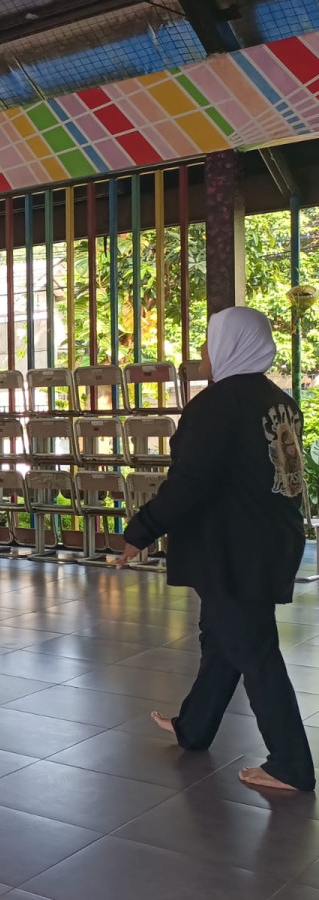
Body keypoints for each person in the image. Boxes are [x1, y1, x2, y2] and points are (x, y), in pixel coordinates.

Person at [117, 307, 314, 792]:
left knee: (254, 650)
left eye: (208, 343)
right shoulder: (280, 401)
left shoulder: (216, 405)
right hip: (268, 540)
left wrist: (139, 531)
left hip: (233, 548)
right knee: (224, 638)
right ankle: (195, 726)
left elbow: (189, 484)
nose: (203, 353)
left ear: (229, 345)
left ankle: (291, 765)